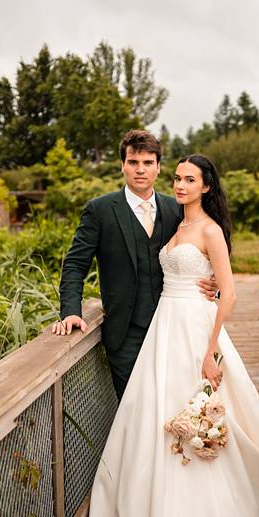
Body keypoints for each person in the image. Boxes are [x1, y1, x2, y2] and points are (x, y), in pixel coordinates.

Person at [80, 154, 259, 517]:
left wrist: (210, 351)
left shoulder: (210, 229)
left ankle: (207, 514)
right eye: (178, 178)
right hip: (163, 327)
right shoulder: (176, 222)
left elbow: (230, 291)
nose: (180, 185)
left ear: (206, 187)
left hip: (195, 331)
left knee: (201, 410)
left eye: (190, 180)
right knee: (152, 413)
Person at [53, 130, 216, 399]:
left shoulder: (176, 208)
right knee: (135, 409)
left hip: (173, 329)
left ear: (159, 167)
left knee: (175, 405)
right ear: (123, 165)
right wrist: (71, 310)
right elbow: (74, 264)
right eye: (133, 162)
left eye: (148, 163)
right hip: (125, 335)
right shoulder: (100, 210)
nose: (140, 170)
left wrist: (215, 285)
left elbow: (207, 249)